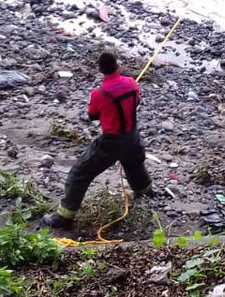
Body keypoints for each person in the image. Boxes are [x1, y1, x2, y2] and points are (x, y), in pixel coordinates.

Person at [44, 51, 152, 231]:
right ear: (118, 66)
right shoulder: (132, 83)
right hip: (133, 137)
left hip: (111, 142)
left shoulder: (99, 93)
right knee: (134, 164)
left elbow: (92, 115)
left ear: (100, 70)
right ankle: (146, 193)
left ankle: (64, 217)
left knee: (79, 173)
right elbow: (137, 102)